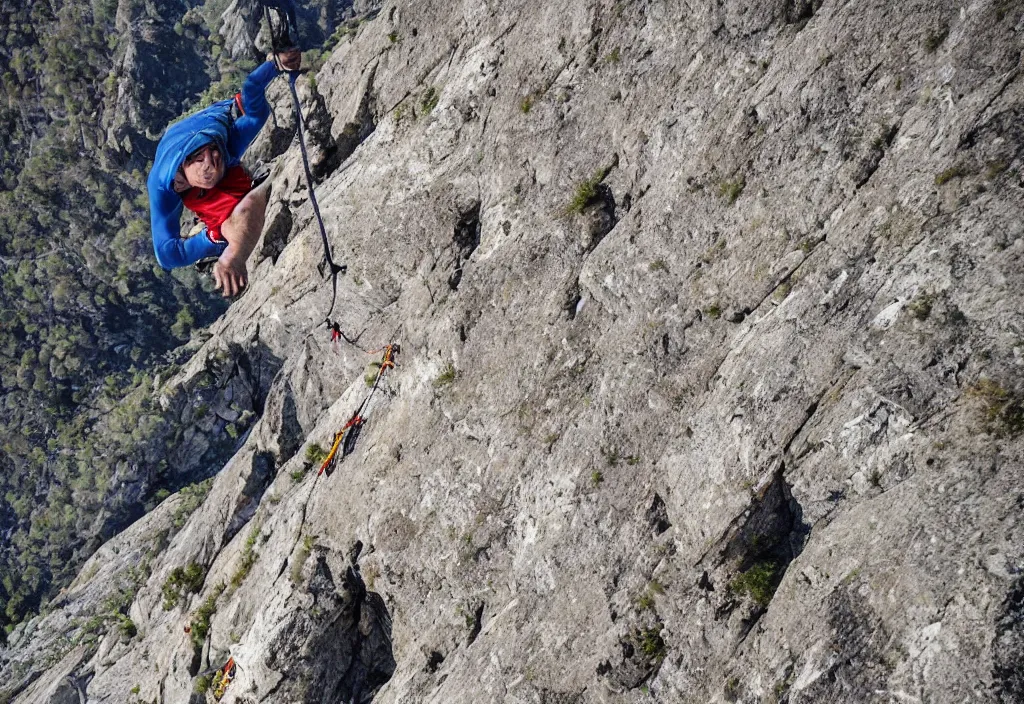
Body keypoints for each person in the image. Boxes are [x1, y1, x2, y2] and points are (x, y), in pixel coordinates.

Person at [147, 49, 301, 297]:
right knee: (221, 223)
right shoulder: (162, 185)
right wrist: (212, 238)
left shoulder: (227, 146)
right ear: (185, 165)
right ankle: (211, 227)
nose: (210, 163)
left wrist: (275, 65)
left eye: (214, 159)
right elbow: (166, 255)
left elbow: (254, 103)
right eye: (202, 162)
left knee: (239, 205)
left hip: (213, 123)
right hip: (187, 137)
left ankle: (215, 224)